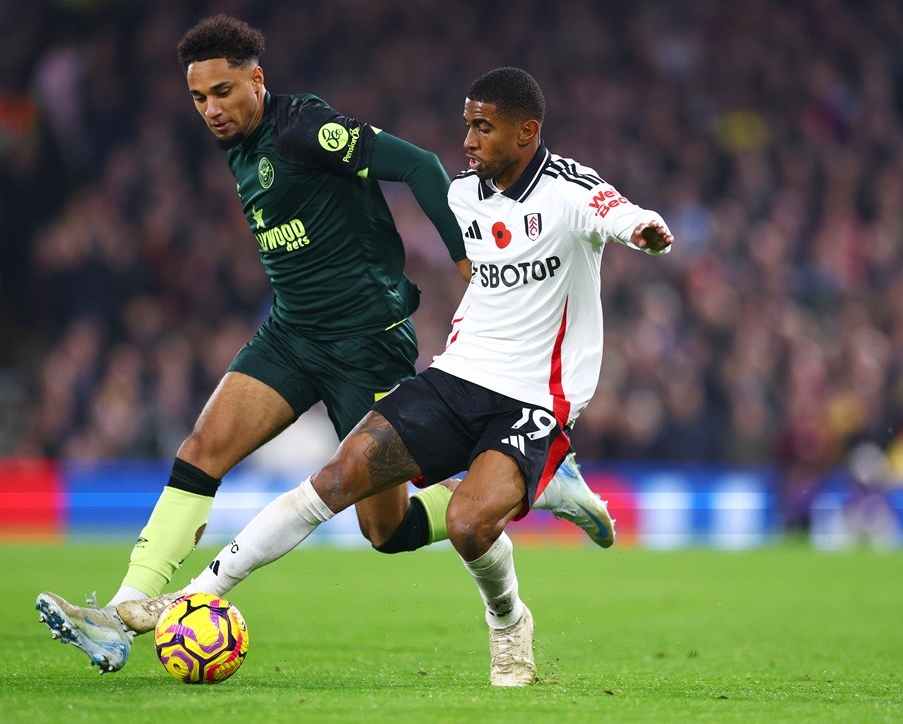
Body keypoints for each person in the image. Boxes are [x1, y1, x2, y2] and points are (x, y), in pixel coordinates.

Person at [44, 66, 672, 686]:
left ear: (526, 133)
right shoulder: (463, 195)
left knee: (460, 526)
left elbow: (615, 211)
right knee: (334, 478)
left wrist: (643, 230)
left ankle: (508, 620)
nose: (470, 141)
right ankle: (176, 600)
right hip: (453, 377)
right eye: (467, 127)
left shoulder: (569, 188)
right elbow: (399, 197)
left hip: (534, 396)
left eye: (483, 129)